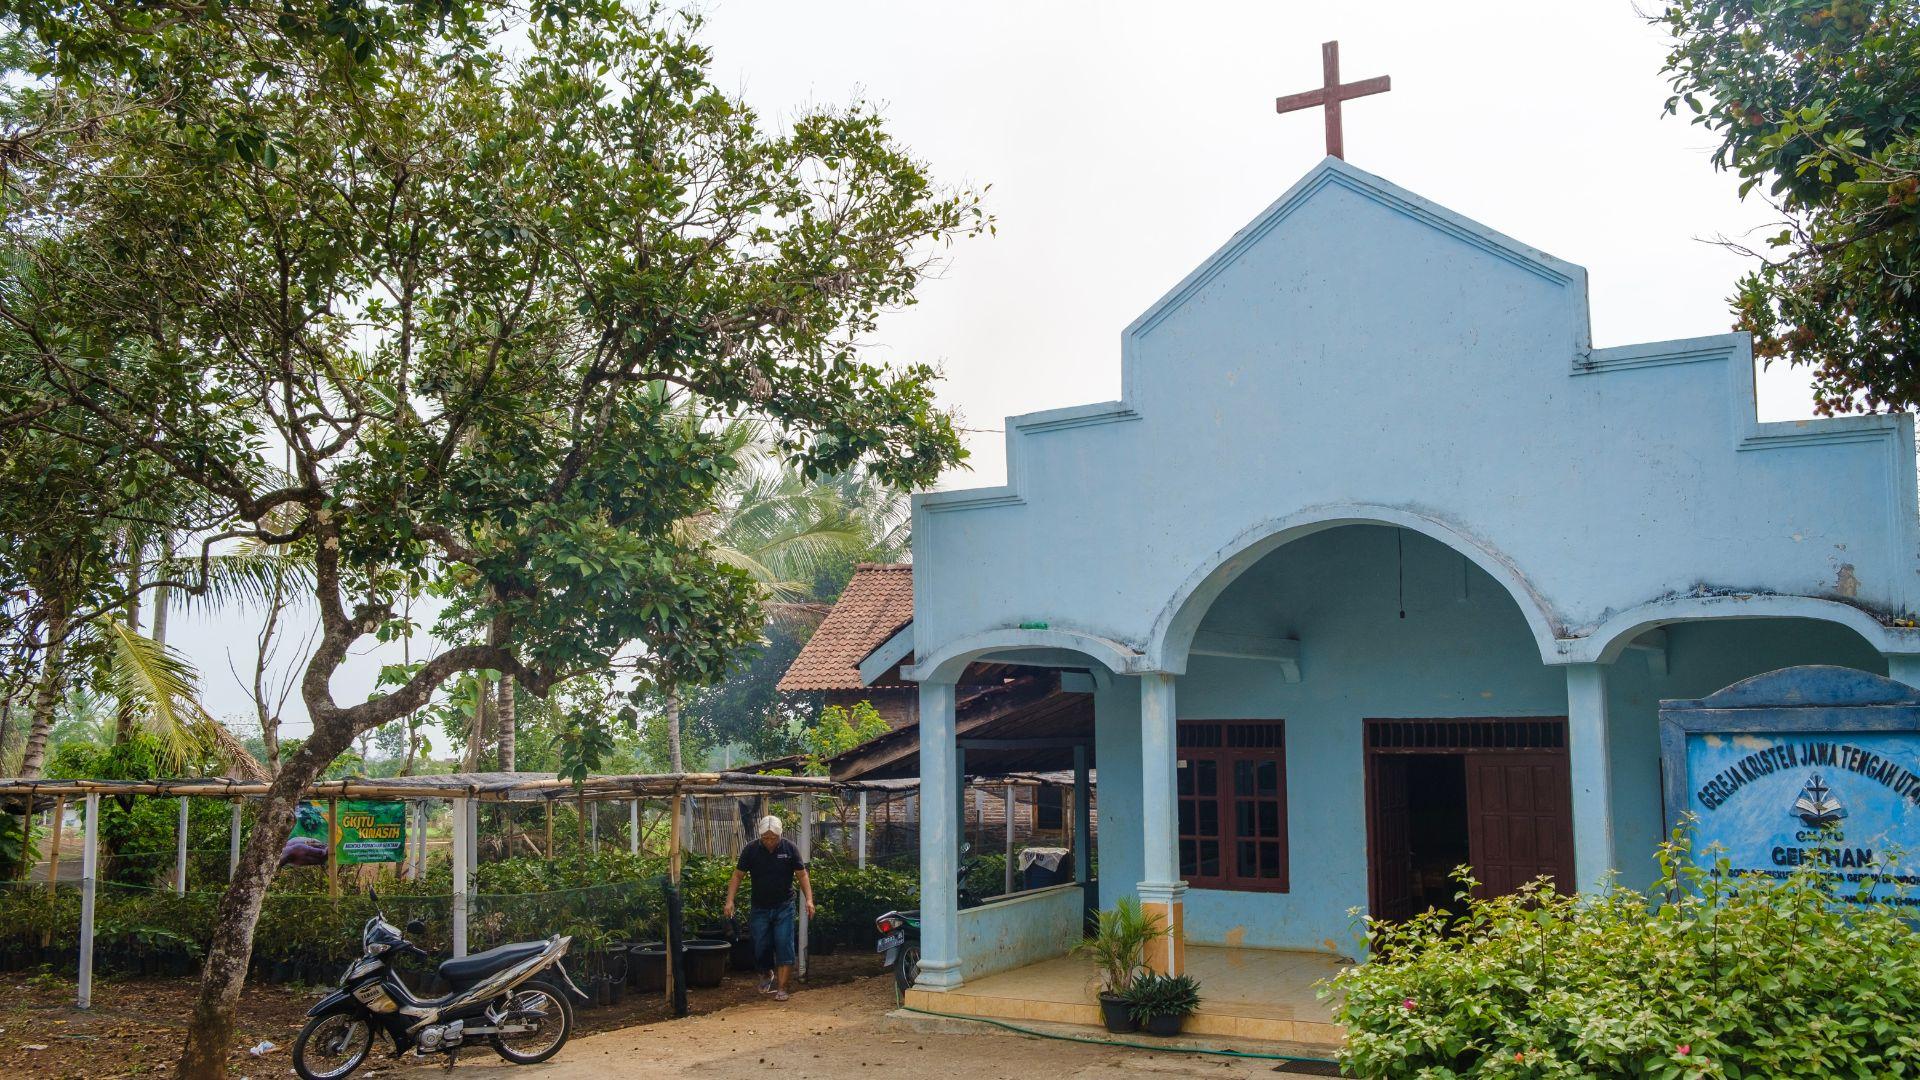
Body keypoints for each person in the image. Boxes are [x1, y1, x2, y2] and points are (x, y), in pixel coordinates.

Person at [722, 815, 815, 1001]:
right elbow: (737, 876)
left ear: (780, 836)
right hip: (760, 907)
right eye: (765, 838)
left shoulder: (790, 849)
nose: (769, 841)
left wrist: (809, 900)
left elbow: (802, 875)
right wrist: (729, 900)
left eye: (773, 838)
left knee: (784, 944)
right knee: (759, 945)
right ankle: (766, 973)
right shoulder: (751, 850)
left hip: (784, 906)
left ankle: (782, 988)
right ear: (760, 836)